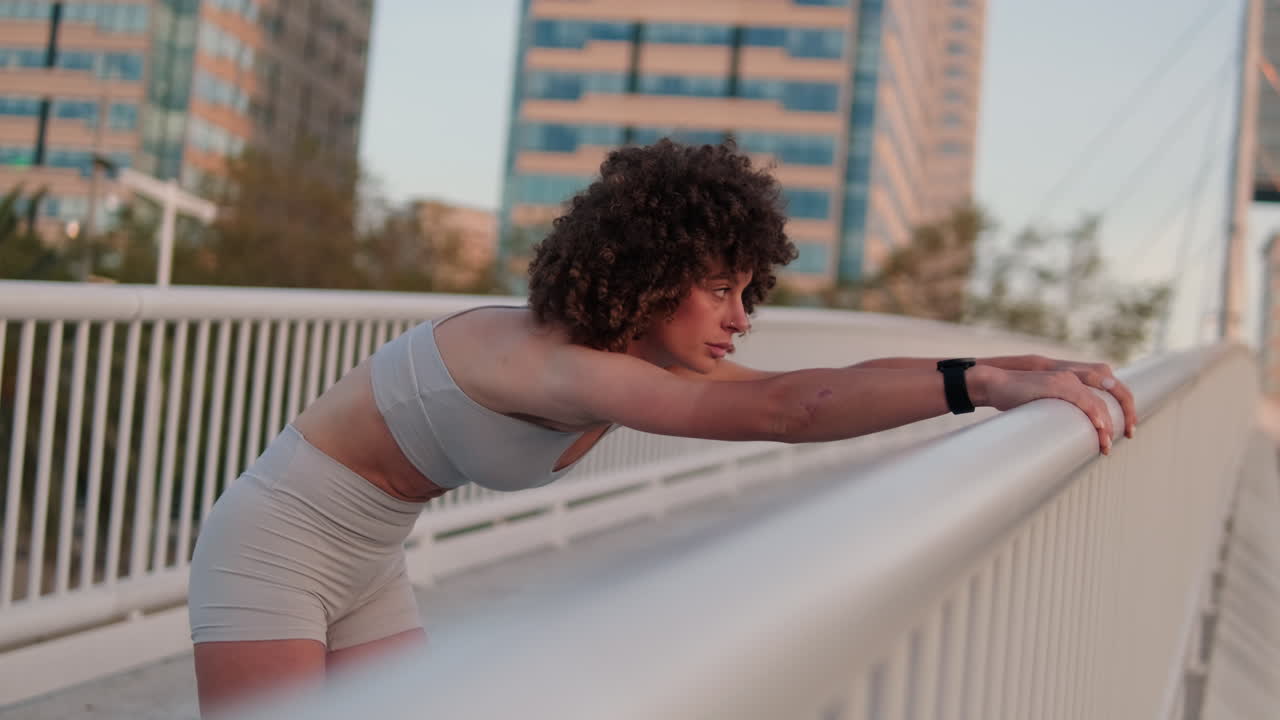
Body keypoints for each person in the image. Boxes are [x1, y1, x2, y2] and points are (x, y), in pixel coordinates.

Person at [187, 139, 1136, 715]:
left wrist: (1017, 372)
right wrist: (983, 387)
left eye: (745, 290)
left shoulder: (631, 357)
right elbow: (781, 411)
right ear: (646, 269)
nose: (738, 316)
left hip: (369, 560)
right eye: (717, 288)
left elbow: (826, 380)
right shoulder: (563, 365)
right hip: (277, 544)